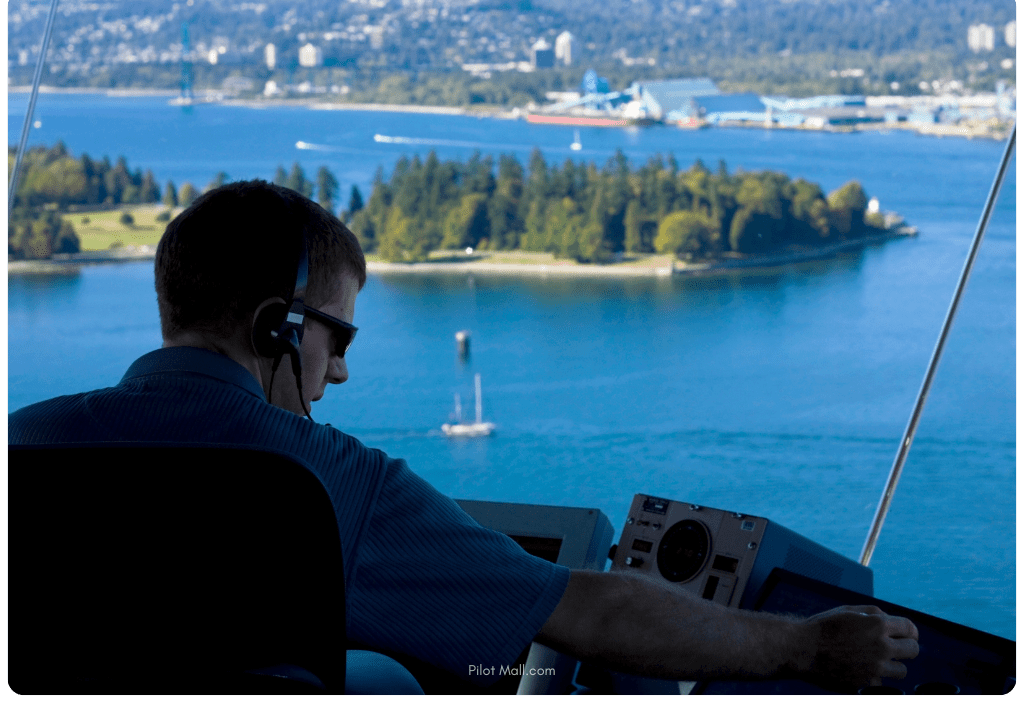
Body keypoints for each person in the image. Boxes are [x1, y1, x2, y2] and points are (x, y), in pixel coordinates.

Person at [8, 180, 919, 694]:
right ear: (279, 327)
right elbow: (588, 613)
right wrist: (806, 647)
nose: (341, 374)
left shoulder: (22, 445)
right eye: (339, 337)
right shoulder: (326, 483)